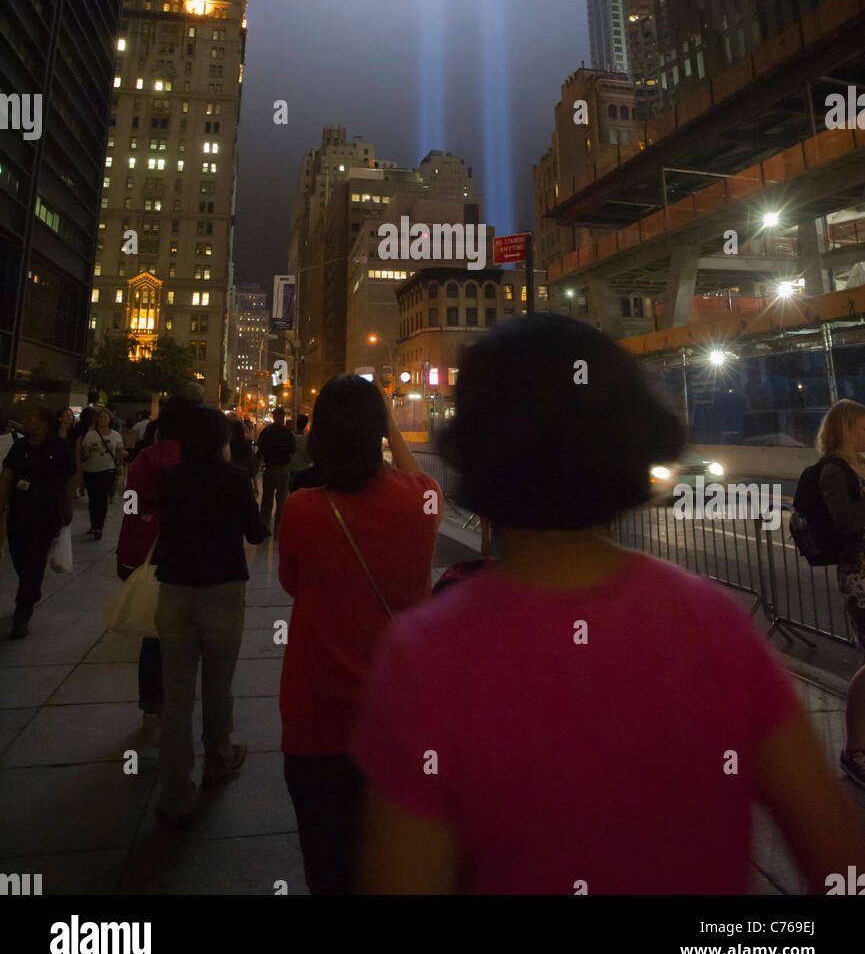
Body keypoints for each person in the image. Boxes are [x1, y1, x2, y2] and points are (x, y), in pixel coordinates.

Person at [351, 315, 865, 895]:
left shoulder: (426, 656)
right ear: (628, 441)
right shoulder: (712, 625)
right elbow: (840, 862)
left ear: (476, 454)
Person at [278, 374, 441, 895]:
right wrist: (390, 424)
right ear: (379, 430)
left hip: (317, 722)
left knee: (329, 868)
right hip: (401, 721)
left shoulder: (303, 510)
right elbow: (424, 487)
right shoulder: (421, 503)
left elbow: (290, 583)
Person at [154, 407, 267, 824]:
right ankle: (219, 758)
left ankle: (175, 791)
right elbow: (254, 531)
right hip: (221, 587)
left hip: (175, 589)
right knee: (218, 684)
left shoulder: (168, 479)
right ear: (221, 439)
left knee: (177, 693)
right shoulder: (234, 478)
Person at [117, 396, 196, 744]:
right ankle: (180, 706)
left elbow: (130, 502)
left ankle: (152, 708)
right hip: (188, 552)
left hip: (150, 547)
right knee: (186, 635)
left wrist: (132, 541)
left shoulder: (146, 459)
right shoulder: (197, 458)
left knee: (153, 635)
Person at [811, 399, 865, 791]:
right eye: (862, 426)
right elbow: (845, 522)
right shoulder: (834, 471)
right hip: (859, 579)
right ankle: (853, 749)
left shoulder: (861, 468)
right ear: (846, 429)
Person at [0, 406, 75, 638]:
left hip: (46, 514)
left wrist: (68, 506)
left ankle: (24, 610)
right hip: (18, 512)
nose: (27, 420)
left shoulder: (59, 447)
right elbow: (8, 475)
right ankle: (29, 590)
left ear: (43, 423)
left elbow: (69, 478)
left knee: (35, 559)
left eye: (32, 416)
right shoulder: (19, 446)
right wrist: (1, 502)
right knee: (19, 555)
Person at [80, 407, 125, 540]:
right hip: (91, 470)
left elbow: (120, 451)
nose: (103, 420)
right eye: (100, 417)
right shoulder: (90, 435)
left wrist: (122, 455)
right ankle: (94, 524)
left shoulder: (115, 435)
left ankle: (99, 527)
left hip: (107, 470)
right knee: (93, 499)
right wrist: (87, 451)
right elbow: (84, 454)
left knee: (102, 498)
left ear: (110, 419)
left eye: (105, 417)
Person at [257, 407, 296, 537]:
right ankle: (278, 531)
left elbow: (260, 449)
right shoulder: (287, 433)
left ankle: (264, 528)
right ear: (283, 417)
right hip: (283, 469)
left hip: (269, 469)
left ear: (273, 416)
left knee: (266, 500)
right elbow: (292, 450)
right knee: (281, 502)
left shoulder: (266, 432)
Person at [288, 413, 315, 492]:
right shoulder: (308, 439)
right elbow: (309, 457)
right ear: (305, 424)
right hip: (304, 470)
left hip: (291, 469)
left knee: (292, 494)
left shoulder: (290, 437)